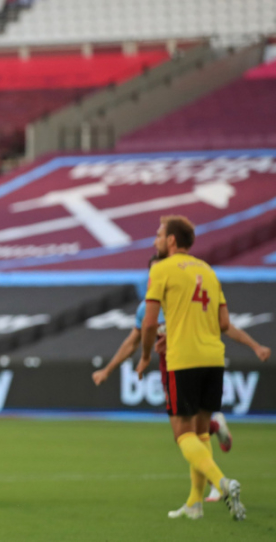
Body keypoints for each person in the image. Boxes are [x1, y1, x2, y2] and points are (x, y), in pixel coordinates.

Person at [92, 256, 270, 502]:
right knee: (192, 431)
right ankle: (214, 439)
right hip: (172, 371)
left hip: (190, 365)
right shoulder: (147, 307)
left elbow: (224, 326)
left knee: (185, 434)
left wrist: (254, 345)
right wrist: (108, 370)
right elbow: (132, 340)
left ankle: (216, 485)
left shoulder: (185, 301)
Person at [135, 216, 245, 521]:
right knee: (200, 432)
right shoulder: (208, 270)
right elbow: (224, 323)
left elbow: (148, 323)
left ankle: (222, 482)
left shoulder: (161, 269)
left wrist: (145, 356)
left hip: (183, 359)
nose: (155, 241)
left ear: (171, 241)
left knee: (181, 434)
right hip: (213, 358)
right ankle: (195, 503)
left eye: (158, 235)